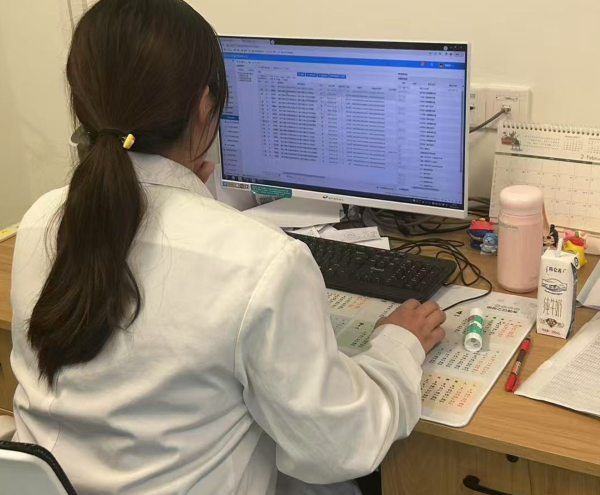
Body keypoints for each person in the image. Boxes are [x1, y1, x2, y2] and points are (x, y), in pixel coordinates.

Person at [9, 0, 446, 494]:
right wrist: (397, 347)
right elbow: (340, 445)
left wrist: (187, 195)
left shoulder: (42, 220)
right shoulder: (259, 261)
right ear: (205, 105)